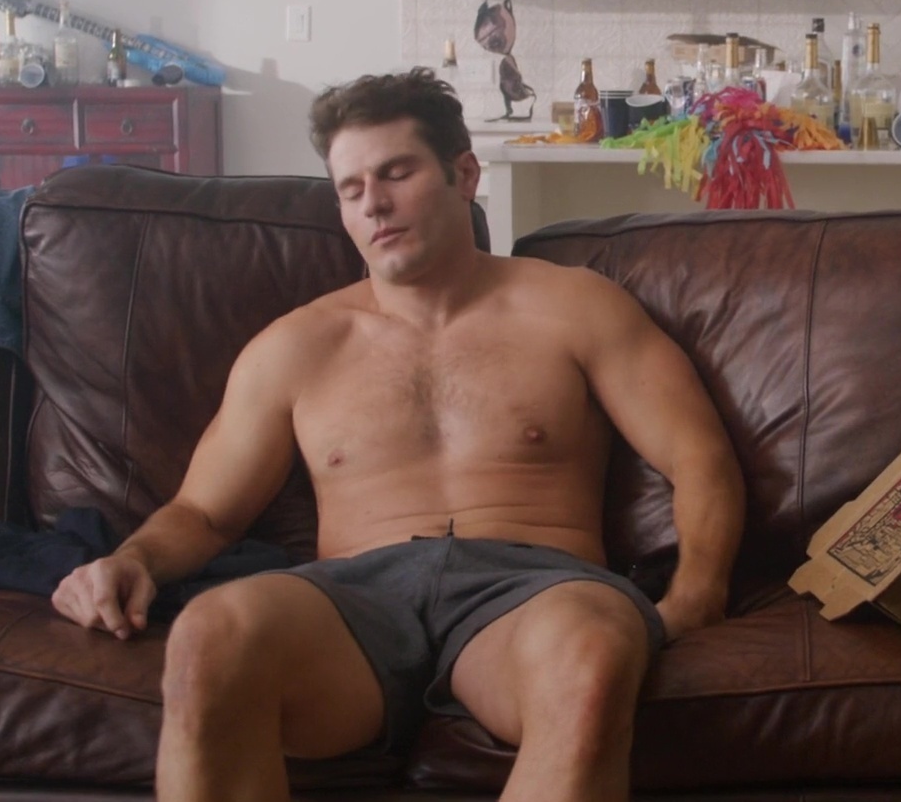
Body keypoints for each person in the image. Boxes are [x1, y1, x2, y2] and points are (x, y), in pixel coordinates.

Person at [50, 68, 744, 802]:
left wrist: (697, 593)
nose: (373, 203)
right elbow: (205, 513)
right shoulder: (295, 346)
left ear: (464, 174)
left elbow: (697, 455)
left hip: (534, 596)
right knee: (206, 636)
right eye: (350, 188)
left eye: (396, 173)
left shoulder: (574, 308)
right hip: (354, 604)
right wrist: (133, 560)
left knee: (592, 655)